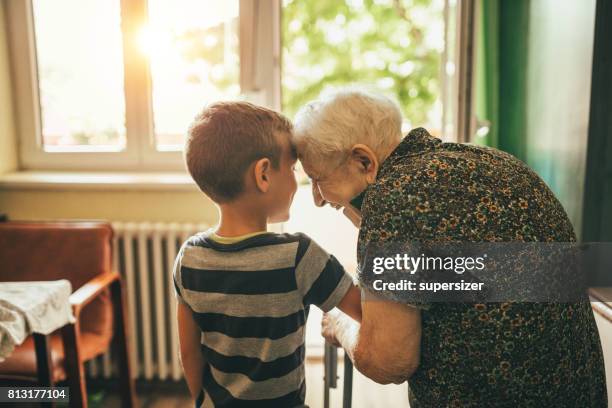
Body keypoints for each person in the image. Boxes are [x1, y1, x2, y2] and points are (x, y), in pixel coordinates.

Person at [293, 89, 607, 407]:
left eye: (318, 179)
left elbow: (388, 361)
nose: (318, 198)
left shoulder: (393, 198)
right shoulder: (493, 162)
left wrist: (343, 325)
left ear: (364, 161)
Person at [174, 101, 362, 408]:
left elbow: (189, 351)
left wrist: (201, 400)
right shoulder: (299, 256)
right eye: (292, 168)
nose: (297, 180)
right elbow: (365, 310)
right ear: (263, 174)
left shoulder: (190, 258)